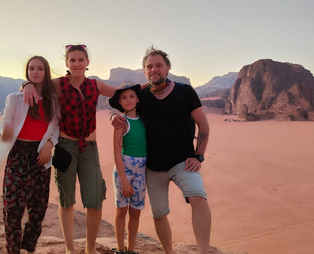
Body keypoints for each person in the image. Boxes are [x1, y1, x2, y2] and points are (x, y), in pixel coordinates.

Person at [112, 46, 211, 254]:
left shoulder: (185, 92)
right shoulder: (142, 94)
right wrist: (113, 117)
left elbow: (204, 126)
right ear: (144, 71)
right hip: (153, 167)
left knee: (198, 197)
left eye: (158, 65)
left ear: (167, 68)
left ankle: (203, 251)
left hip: (183, 162)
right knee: (158, 213)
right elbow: (122, 102)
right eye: (149, 66)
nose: (153, 69)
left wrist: (198, 155)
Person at [21, 44, 118, 254]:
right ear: (67, 63)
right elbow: (35, 84)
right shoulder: (58, 84)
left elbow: (123, 94)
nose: (77, 64)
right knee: (66, 199)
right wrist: (26, 83)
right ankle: (69, 248)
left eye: (81, 60)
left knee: (94, 200)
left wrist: (151, 85)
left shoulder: (95, 85)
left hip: (89, 148)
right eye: (72, 60)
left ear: (87, 63)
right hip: (65, 147)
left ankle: (90, 249)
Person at [0, 55, 60, 254]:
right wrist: (3, 134)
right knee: (12, 208)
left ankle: (27, 248)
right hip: (18, 154)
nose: (35, 72)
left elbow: (56, 126)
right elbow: (3, 126)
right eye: (31, 68)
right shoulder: (15, 98)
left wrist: (50, 144)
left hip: (40, 155)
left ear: (46, 72)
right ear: (27, 72)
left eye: (40, 68)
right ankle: (13, 250)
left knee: (38, 209)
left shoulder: (53, 100)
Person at [108, 83, 147, 254]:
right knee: (121, 210)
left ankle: (131, 249)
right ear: (120, 102)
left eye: (131, 96)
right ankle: (120, 248)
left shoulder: (145, 120)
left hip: (141, 172)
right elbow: (116, 153)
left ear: (138, 99)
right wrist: (124, 180)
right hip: (124, 171)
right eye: (124, 97)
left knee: (136, 212)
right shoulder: (121, 122)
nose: (128, 100)